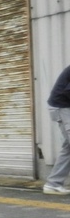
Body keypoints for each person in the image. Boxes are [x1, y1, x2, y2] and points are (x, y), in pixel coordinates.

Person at [44, 65, 70, 194]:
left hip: (64, 106)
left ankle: (53, 183)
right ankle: (53, 183)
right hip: (62, 107)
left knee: (68, 149)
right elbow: (67, 92)